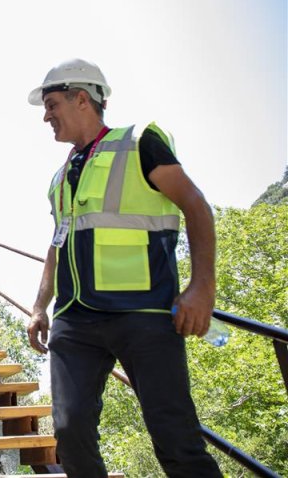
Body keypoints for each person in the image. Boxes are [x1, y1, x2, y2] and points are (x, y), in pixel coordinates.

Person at [25, 59, 222, 477]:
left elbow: (196, 206)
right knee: (70, 431)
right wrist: (40, 305)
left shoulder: (138, 142)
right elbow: (57, 245)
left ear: (83, 99)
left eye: (51, 104)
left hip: (144, 315)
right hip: (76, 321)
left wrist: (202, 287)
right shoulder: (59, 178)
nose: (45, 116)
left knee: (176, 440)